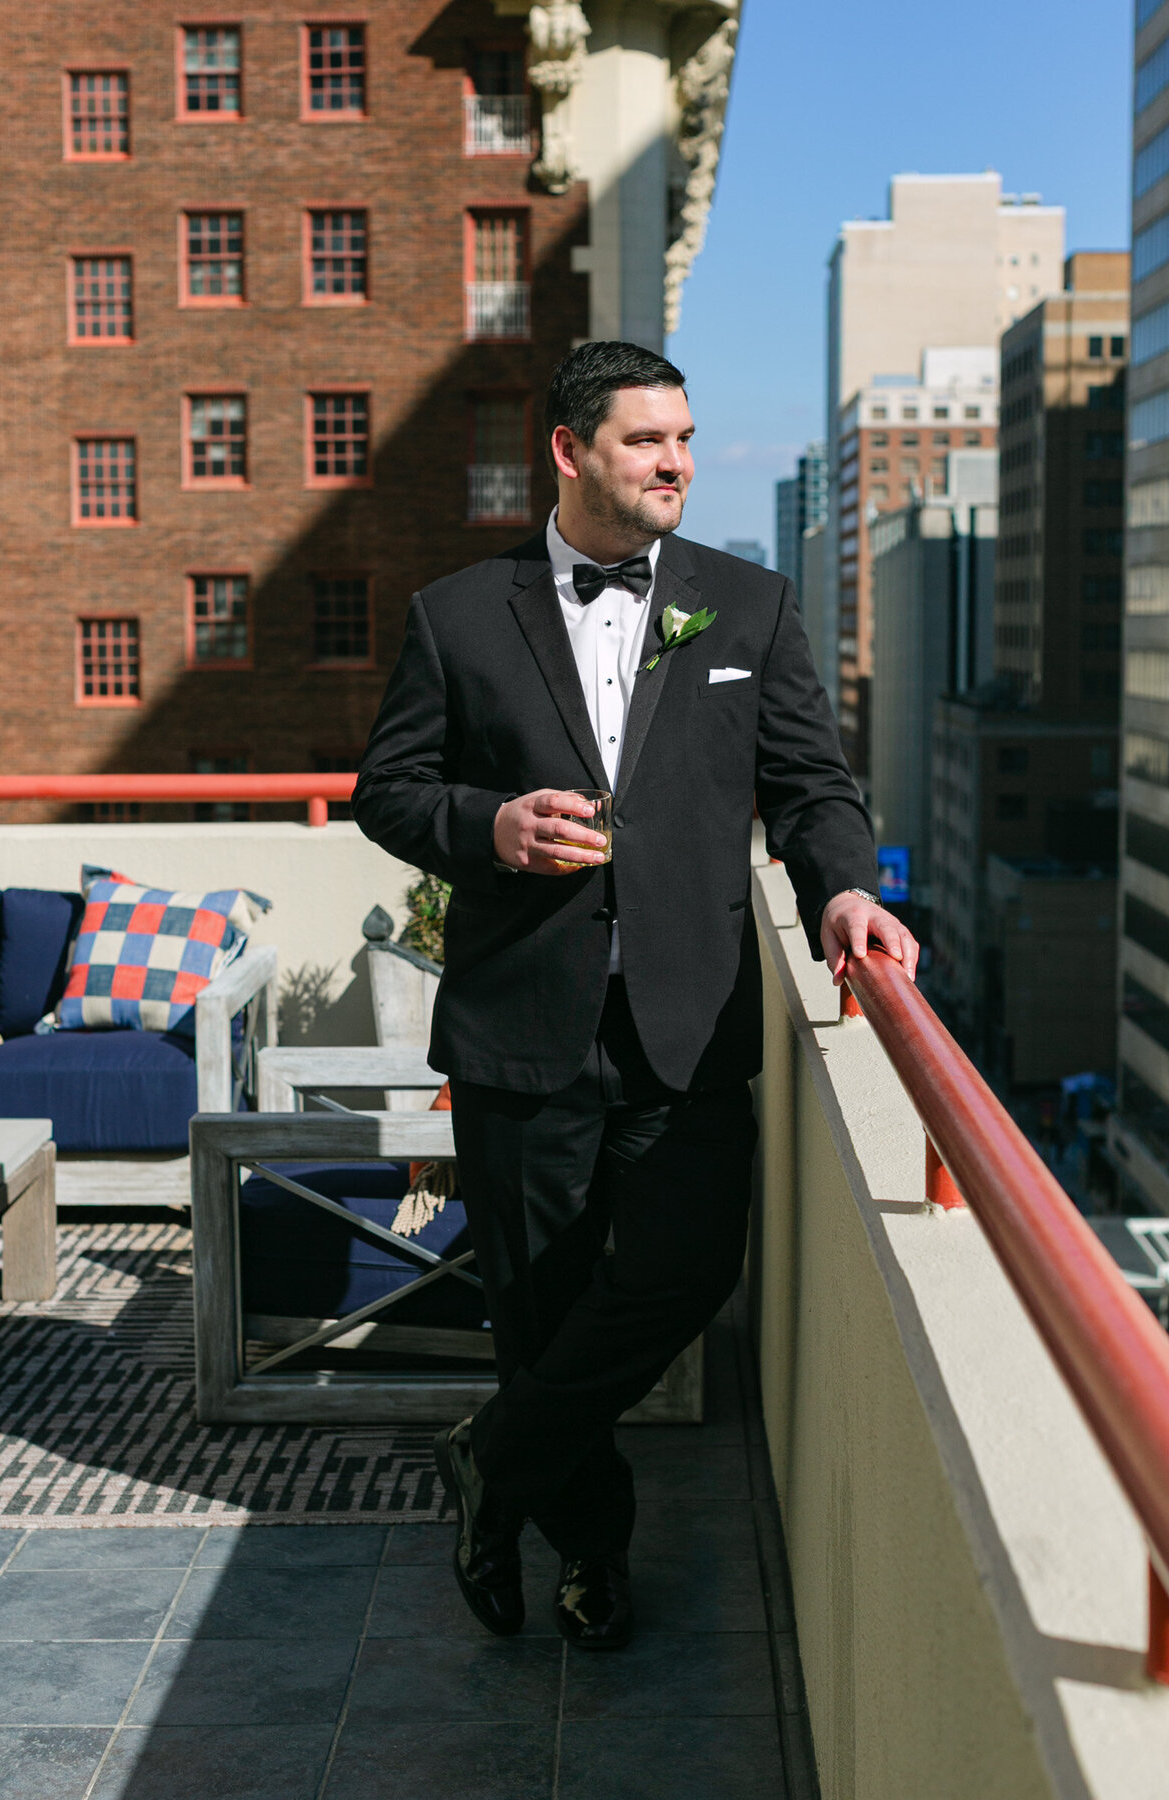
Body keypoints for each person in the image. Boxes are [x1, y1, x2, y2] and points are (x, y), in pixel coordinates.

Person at [353, 340, 918, 1651]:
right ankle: (589, 1555)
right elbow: (391, 789)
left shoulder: (749, 605)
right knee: (544, 1314)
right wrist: (492, 827)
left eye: (686, 437)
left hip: (690, 1018)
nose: (680, 462)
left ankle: (490, 1460)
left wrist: (840, 889)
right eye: (648, 441)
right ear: (570, 450)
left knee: (686, 1268)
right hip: (519, 1026)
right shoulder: (457, 613)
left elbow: (813, 788)